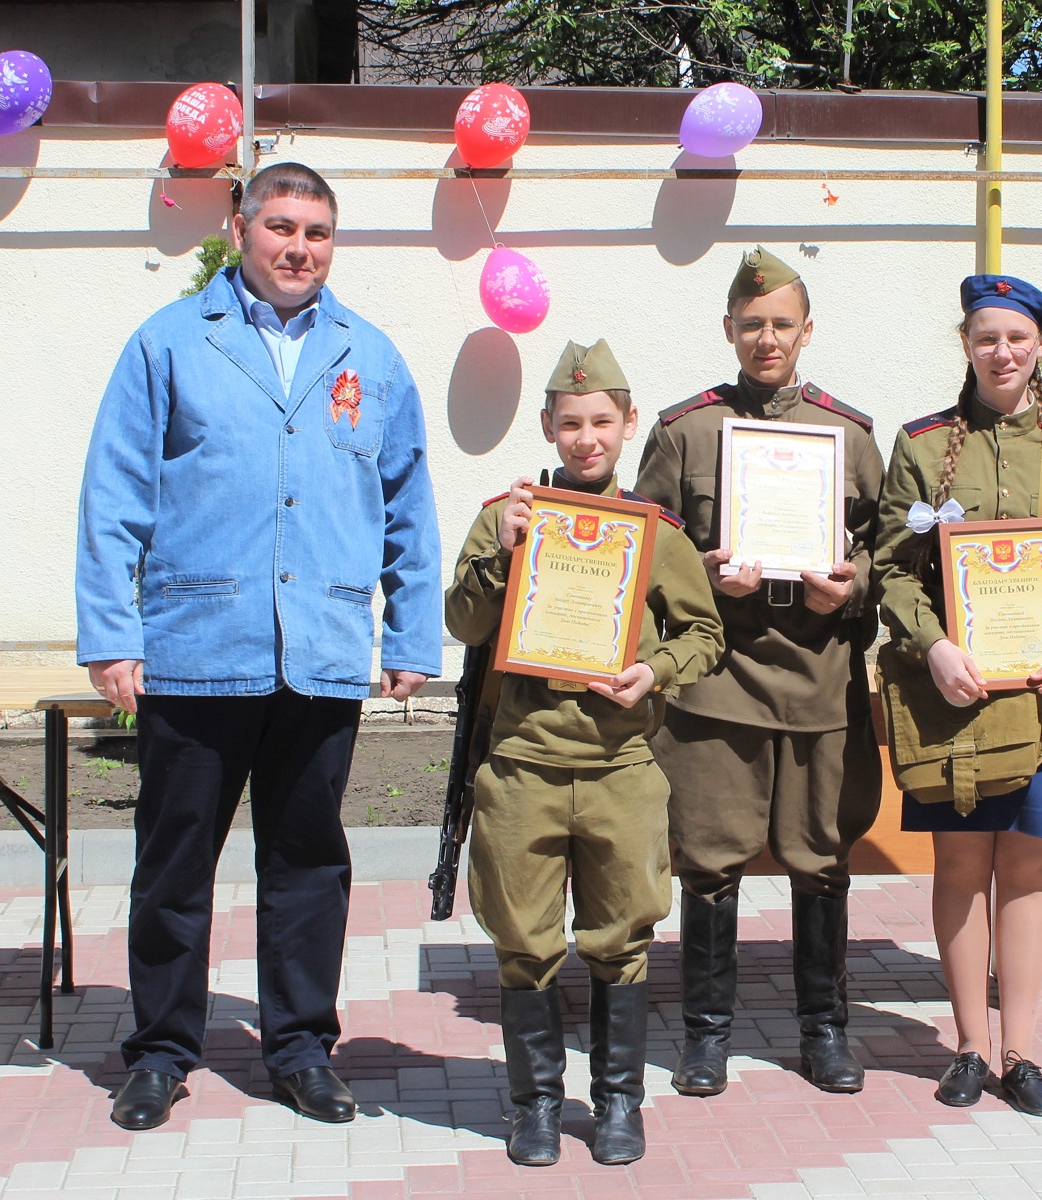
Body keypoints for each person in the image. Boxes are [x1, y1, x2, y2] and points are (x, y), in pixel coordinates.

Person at [75, 162, 443, 1130]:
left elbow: (407, 503)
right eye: (280, 225)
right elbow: (114, 498)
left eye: (316, 232)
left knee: (308, 863)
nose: (298, 247)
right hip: (196, 647)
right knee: (174, 860)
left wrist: (410, 630)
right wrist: (111, 634)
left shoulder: (371, 356)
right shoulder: (169, 345)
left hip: (318, 650)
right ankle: (159, 1050)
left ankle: (299, 1048)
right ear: (239, 226)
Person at [444, 340, 724, 1166]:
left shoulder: (653, 532)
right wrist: (503, 546)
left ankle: (616, 1104)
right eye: (571, 423)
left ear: (628, 425)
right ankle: (533, 1106)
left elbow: (706, 634)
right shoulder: (509, 511)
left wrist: (656, 671)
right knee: (525, 942)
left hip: (618, 767)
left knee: (619, 939)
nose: (587, 438)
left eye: (602, 421)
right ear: (547, 426)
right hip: (523, 763)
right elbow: (462, 621)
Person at [875, 275, 1042, 1116]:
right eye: (987, 338)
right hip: (956, 697)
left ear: (1040, 347)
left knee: (1026, 871)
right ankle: (966, 1046)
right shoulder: (922, 446)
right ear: (966, 344)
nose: (1003, 353)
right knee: (960, 865)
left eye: (1017, 339)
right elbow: (889, 567)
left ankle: (1018, 1051)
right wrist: (935, 644)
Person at [635, 247, 884, 1096]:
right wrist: (700, 576)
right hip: (718, 685)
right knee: (708, 863)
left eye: (781, 324)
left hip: (819, 682)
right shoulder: (685, 431)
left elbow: (884, 556)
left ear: (806, 331)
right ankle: (706, 1037)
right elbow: (649, 555)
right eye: (751, 325)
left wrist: (847, 591)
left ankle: (824, 1032)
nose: (766, 339)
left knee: (821, 860)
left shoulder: (848, 434)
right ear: (729, 331)